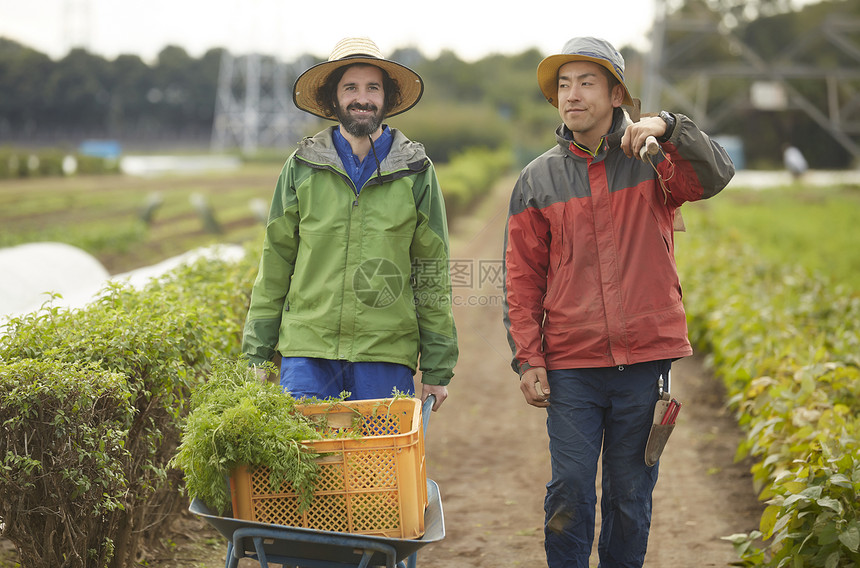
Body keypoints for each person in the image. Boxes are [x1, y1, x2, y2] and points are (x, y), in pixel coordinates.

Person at [503, 37, 735, 567]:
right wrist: (528, 357)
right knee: (569, 489)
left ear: (616, 95)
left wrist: (669, 126)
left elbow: (715, 175)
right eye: (564, 85)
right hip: (571, 364)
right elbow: (521, 277)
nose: (572, 95)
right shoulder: (537, 179)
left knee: (630, 499)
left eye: (586, 83)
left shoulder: (653, 160)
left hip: (644, 360)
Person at [242, 37, 457, 411]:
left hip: (385, 353)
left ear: (386, 97)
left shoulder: (416, 171)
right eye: (351, 88)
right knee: (307, 465)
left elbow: (431, 271)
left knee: (380, 469)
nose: (363, 98)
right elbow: (275, 261)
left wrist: (438, 367)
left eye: (373, 87)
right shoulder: (301, 166)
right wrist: (257, 355)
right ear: (334, 98)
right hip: (307, 353)